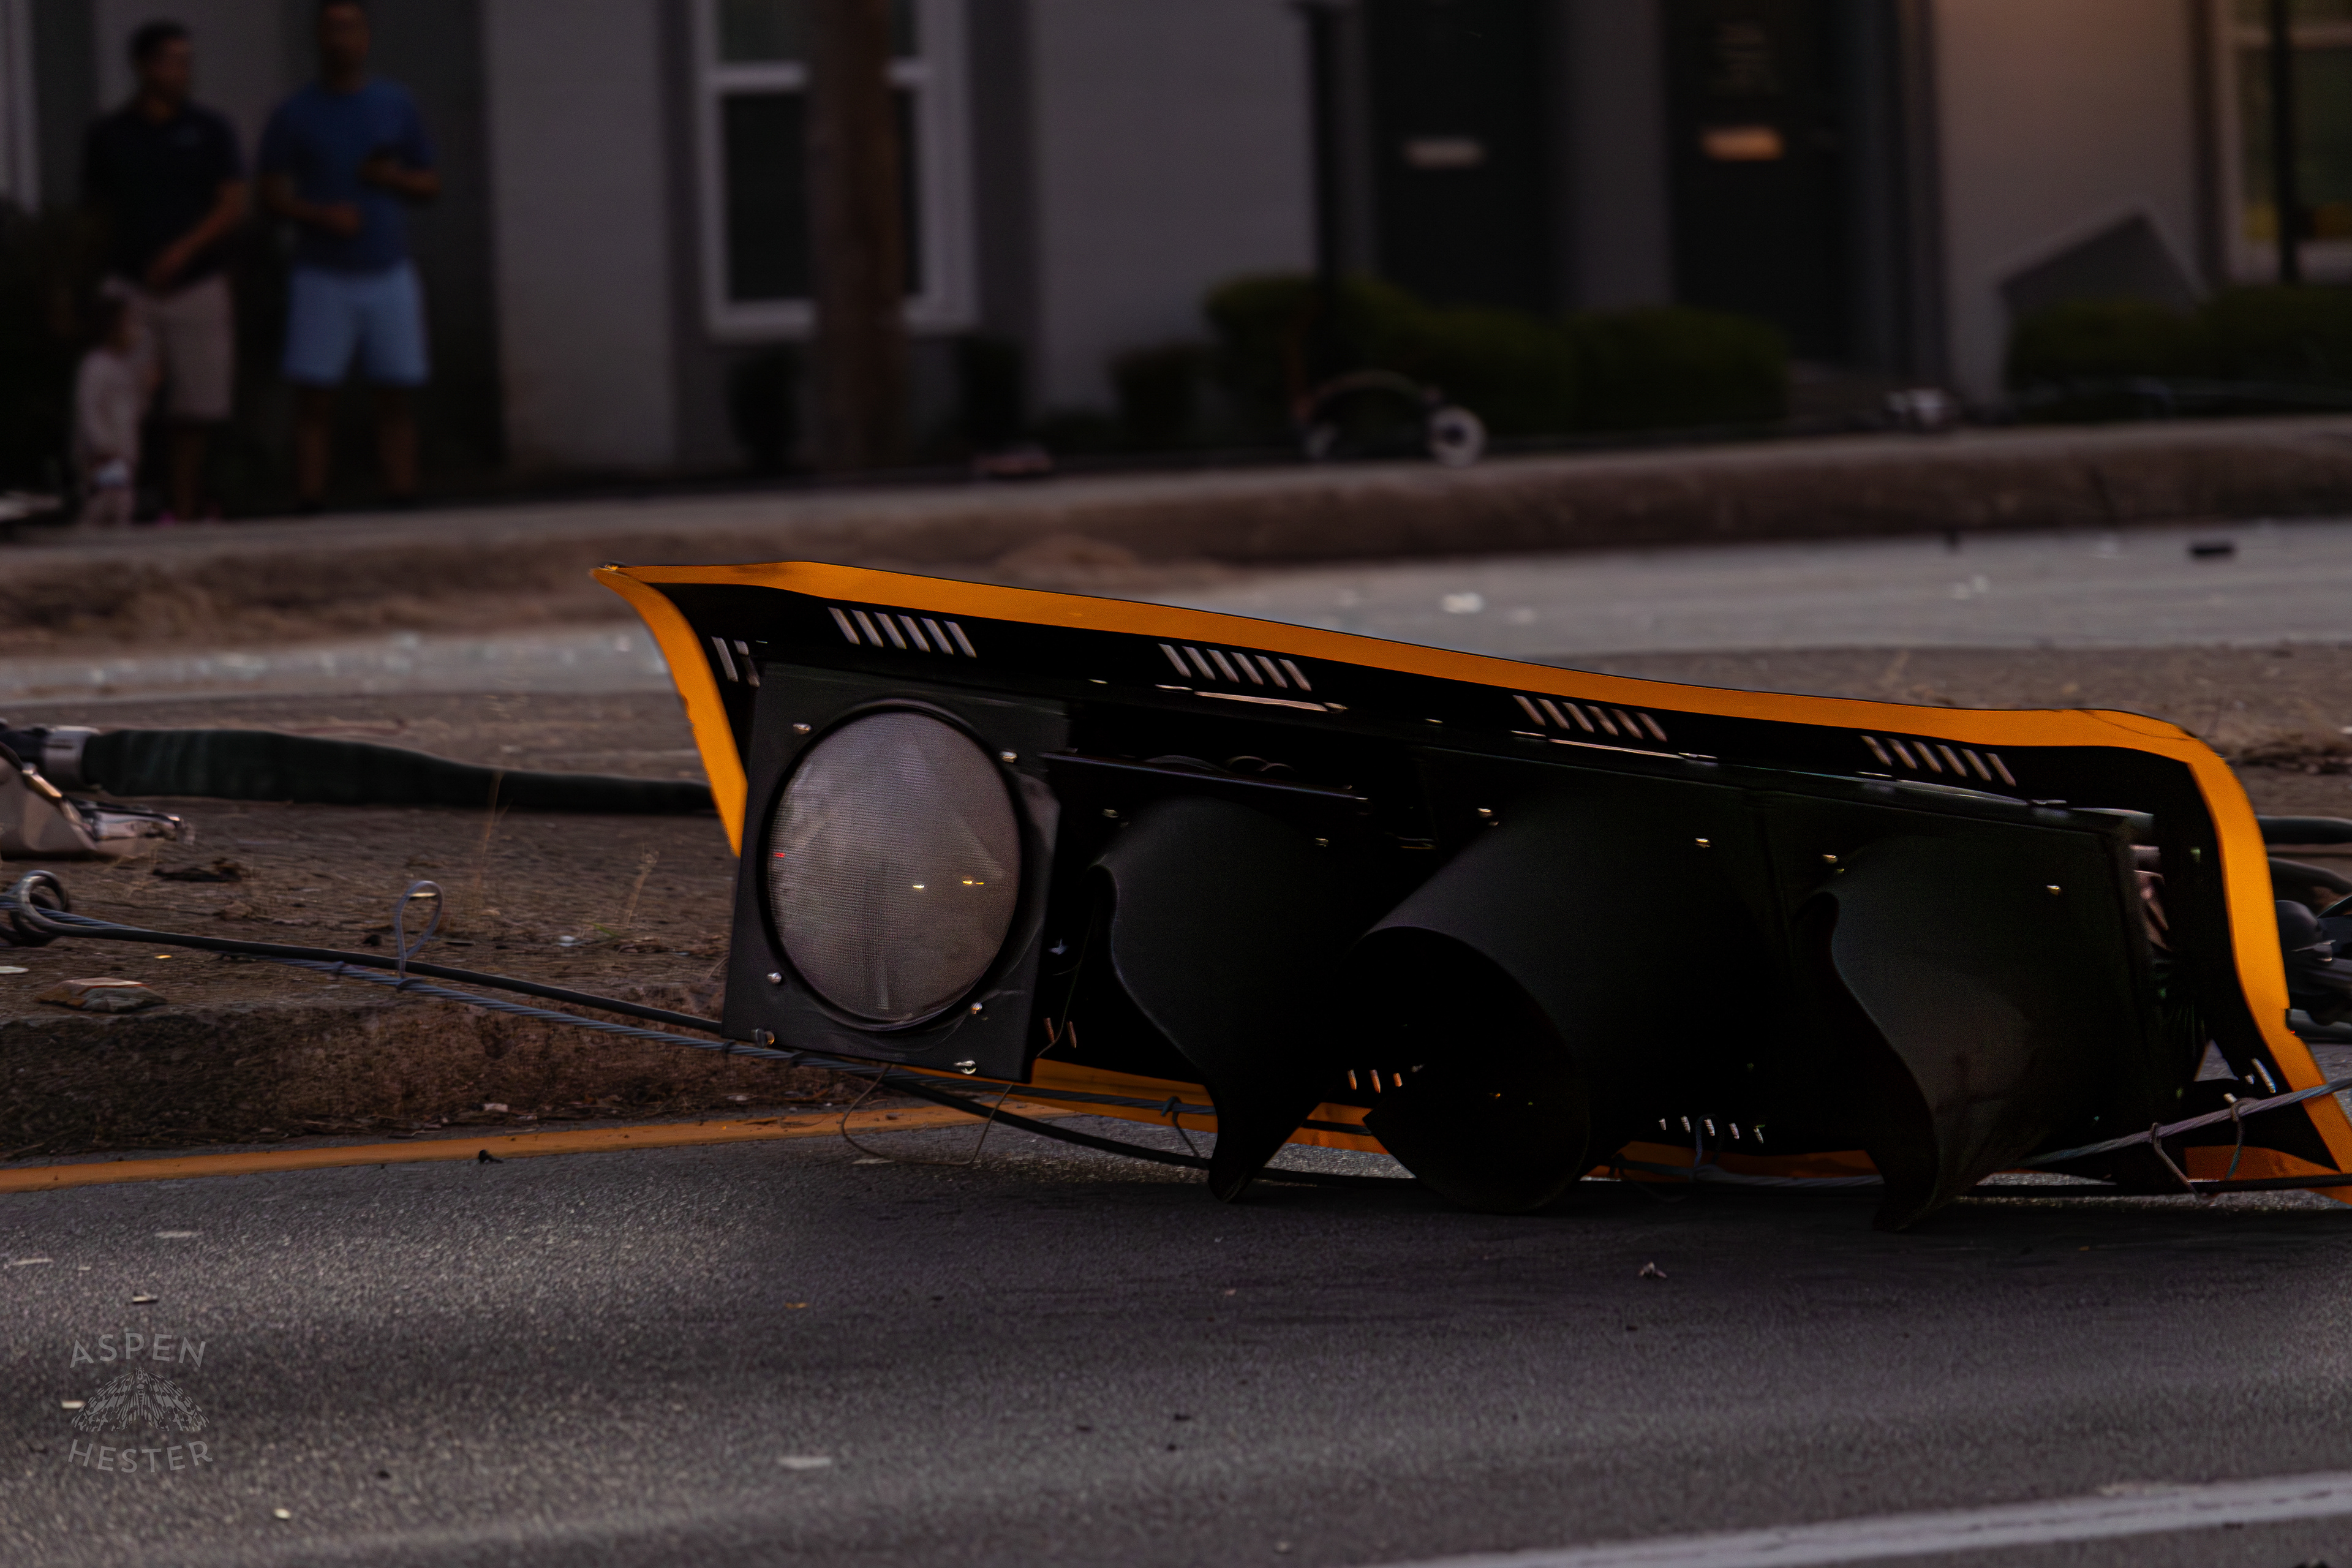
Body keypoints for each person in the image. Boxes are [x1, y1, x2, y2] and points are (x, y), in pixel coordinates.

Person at [258, 0, 439, 512]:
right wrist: (317, 215)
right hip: (322, 271)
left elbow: (430, 180)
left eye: (351, 29)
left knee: (395, 390)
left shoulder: (395, 104)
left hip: (386, 266)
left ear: (366, 38)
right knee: (314, 394)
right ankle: (310, 496)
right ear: (318, 38)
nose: (342, 40)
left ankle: (401, 491)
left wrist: (392, 178)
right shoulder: (294, 113)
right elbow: (270, 192)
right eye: (332, 30)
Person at [80, 20, 247, 522]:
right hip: (131, 285)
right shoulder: (111, 135)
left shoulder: (211, 130)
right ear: (143, 66)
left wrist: (186, 249)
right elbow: (95, 215)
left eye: (186, 62)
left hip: (196, 284)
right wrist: (78, 285)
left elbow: (233, 201)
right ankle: (119, 506)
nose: (181, 72)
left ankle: (185, 505)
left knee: (195, 409)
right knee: (119, 404)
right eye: (171, 61)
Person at [75, 296, 155, 527]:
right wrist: (100, 447)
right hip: (104, 454)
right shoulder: (95, 366)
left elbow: (136, 411)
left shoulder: (125, 368)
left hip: (123, 451)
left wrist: (147, 389)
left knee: (118, 504)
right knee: (108, 503)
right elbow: (88, 408)